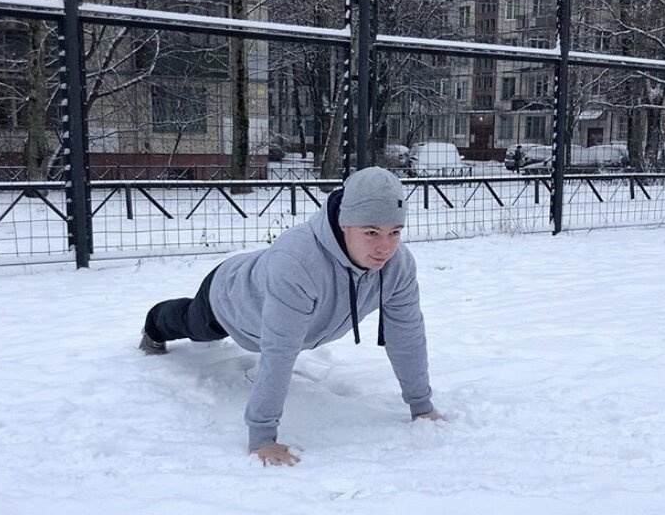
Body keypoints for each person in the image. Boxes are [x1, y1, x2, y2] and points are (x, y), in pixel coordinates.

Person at [140, 167, 442, 466]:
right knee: (195, 325)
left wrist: (421, 406)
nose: (385, 247)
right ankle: (154, 324)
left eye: (394, 232)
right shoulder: (298, 262)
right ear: (344, 224)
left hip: (269, 291)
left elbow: (407, 335)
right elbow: (280, 350)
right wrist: (262, 437)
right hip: (229, 297)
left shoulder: (398, 266)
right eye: (371, 232)